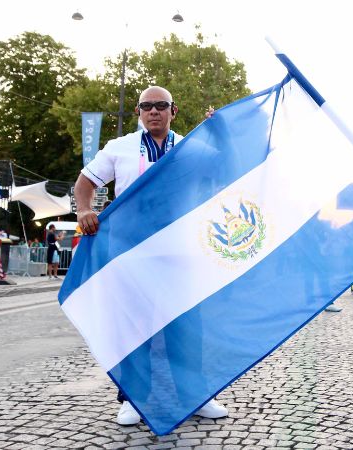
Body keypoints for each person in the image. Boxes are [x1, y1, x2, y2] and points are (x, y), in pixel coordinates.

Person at [74, 86, 228, 426]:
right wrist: (83, 209)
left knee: (185, 326)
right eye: (147, 106)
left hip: (178, 252)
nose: (153, 111)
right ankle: (132, 398)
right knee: (133, 325)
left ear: (174, 110)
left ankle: (196, 395)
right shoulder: (120, 148)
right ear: (138, 112)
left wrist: (221, 130)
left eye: (161, 106)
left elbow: (224, 168)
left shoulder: (190, 146)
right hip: (131, 253)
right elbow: (85, 182)